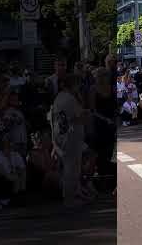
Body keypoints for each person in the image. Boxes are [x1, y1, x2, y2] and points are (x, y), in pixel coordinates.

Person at [51, 74, 90, 208]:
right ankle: (69, 198)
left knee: (70, 167)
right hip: (70, 135)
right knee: (71, 168)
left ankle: (72, 195)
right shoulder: (69, 99)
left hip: (64, 135)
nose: (78, 86)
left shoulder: (60, 97)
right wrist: (85, 114)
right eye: (76, 84)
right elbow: (77, 116)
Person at [0, 135, 26, 210]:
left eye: (10, 144)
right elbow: (3, 173)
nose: (9, 146)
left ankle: (14, 199)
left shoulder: (16, 155)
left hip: (11, 180)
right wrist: (16, 178)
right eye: (7, 144)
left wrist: (22, 190)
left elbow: (23, 171)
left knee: (19, 178)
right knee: (0, 179)